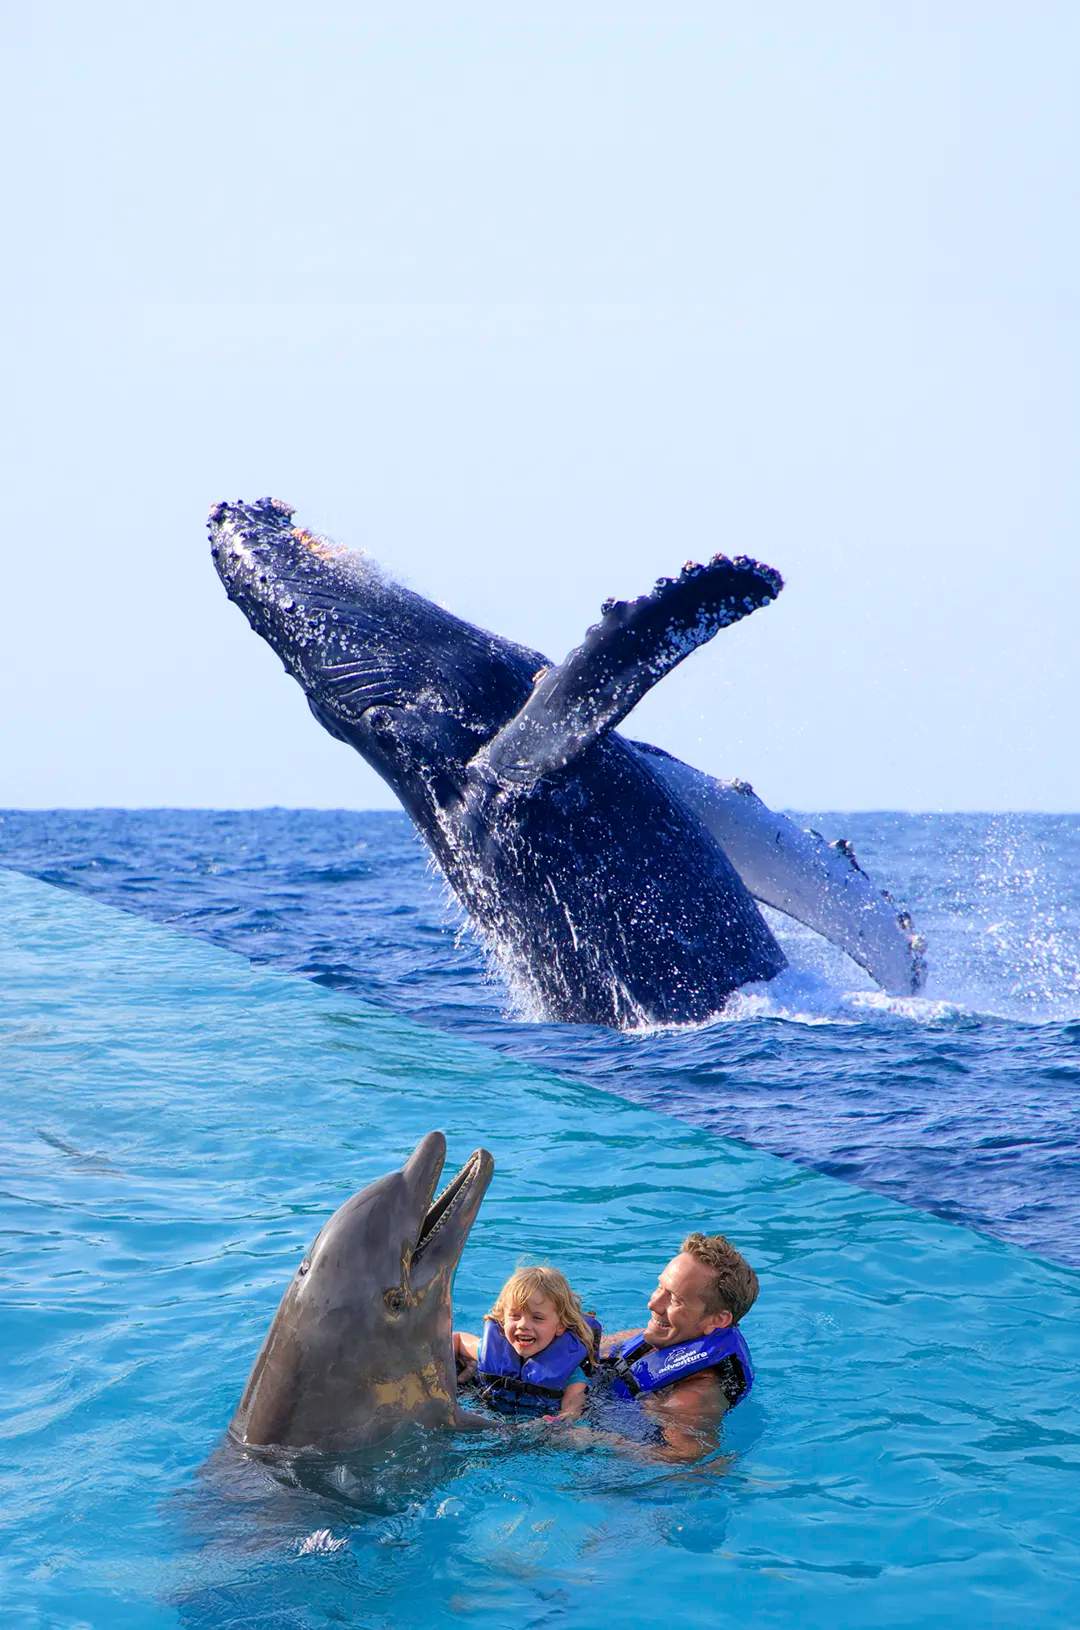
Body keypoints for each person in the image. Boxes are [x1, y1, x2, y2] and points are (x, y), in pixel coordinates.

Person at [599, 1232, 758, 1462]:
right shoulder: (665, 1337)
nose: (653, 1303)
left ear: (717, 1320)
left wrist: (593, 1439)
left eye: (675, 1300)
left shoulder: (689, 1400)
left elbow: (683, 1463)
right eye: (659, 1286)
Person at [454, 1265, 600, 1421]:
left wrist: (566, 1417)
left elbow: (574, 1399)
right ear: (503, 1320)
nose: (523, 1325)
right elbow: (458, 1339)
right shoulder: (490, 1351)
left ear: (560, 1326)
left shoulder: (571, 1372)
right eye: (515, 1316)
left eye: (537, 1318)